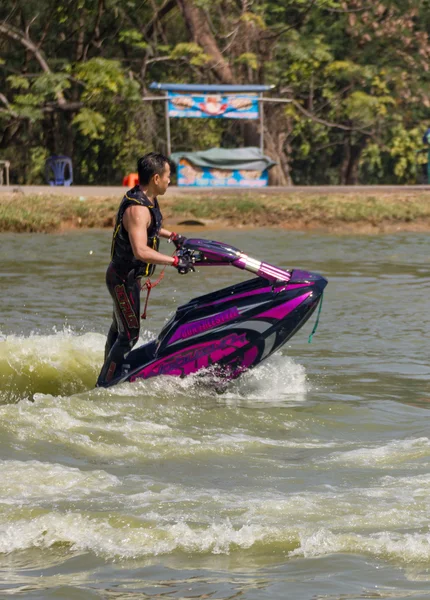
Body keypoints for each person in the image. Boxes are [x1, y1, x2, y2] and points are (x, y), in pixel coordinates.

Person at [96, 152, 193, 386]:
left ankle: (107, 371)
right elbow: (140, 250)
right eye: (169, 176)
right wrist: (175, 262)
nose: (171, 180)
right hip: (122, 280)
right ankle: (104, 384)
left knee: (119, 329)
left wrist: (173, 236)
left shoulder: (147, 200)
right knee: (129, 335)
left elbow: (149, 228)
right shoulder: (137, 210)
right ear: (156, 178)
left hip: (128, 278)